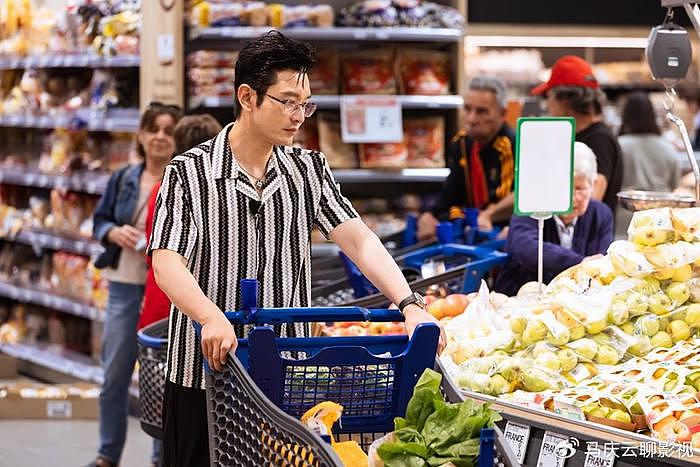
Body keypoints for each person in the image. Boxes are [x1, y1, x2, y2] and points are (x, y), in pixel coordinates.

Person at [148, 31, 445, 467]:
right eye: (287, 101)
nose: (298, 116)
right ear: (247, 97)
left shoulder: (307, 169)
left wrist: (409, 302)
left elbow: (359, 238)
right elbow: (166, 262)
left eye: (305, 103)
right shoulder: (189, 174)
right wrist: (210, 315)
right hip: (203, 375)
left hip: (286, 376)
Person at [89, 103, 183, 467]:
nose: (160, 136)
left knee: (162, 379)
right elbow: (99, 221)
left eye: (168, 129)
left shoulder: (182, 183)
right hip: (126, 288)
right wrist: (113, 231)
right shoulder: (124, 178)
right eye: (153, 128)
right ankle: (107, 454)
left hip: (166, 292)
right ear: (141, 136)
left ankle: (161, 457)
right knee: (114, 375)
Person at [494, 142, 613, 297]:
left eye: (579, 189)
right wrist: (581, 262)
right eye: (565, 188)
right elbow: (525, 246)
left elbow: (603, 263)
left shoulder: (601, 214)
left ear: (593, 185)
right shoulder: (530, 206)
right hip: (521, 296)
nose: (572, 198)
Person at [137, 114, 223, 330]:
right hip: (208, 300)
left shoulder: (164, 187)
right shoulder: (223, 191)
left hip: (163, 300)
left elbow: (153, 251)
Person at [417, 76, 515, 240]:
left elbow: (511, 200)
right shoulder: (461, 143)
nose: (471, 119)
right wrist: (428, 214)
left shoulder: (510, 144)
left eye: (481, 111)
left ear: (502, 113)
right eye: (467, 109)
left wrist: (488, 215)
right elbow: (450, 193)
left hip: (503, 234)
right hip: (472, 230)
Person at [532, 55, 624, 218]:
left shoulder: (599, 140)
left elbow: (590, 199)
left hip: (586, 242)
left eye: (548, 96)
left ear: (565, 100)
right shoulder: (577, 136)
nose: (547, 105)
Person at [615, 93, 681, 238]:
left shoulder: (619, 145)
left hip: (624, 218)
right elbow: (674, 184)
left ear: (625, 116)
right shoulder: (668, 148)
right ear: (652, 116)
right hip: (660, 219)